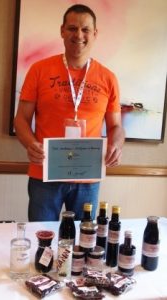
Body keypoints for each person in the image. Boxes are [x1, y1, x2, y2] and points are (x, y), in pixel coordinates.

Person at [14, 4, 125, 221]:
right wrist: (30, 144)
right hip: (45, 173)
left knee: (84, 244)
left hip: (88, 178)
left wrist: (116, 145)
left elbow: (116, 126)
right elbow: (21, 119)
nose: (79, 35)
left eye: (85, 29)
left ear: (95, 34)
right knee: (43, 239)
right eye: (72, 28)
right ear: (62, 31)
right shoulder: (39, 70)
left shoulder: (108, 78)